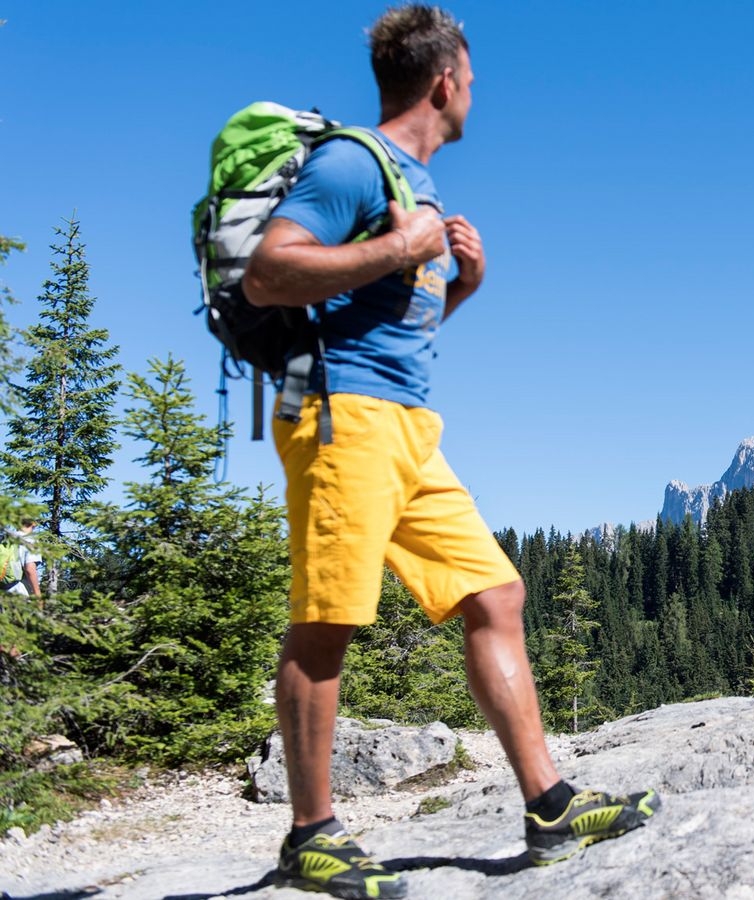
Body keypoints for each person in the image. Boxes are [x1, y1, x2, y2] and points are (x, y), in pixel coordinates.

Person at [242, 8, 656, 897]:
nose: (475, 91)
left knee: (495, 592)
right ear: (445, 82)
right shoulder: (353, 164)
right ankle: (310, 835)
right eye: (471, 75)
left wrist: (458, 284)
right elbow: (270, 271)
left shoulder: (418, 184)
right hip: (338, 416)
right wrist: (403, 244)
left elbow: (391, 326)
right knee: (330, 615)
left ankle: (548, 805)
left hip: (407, 426)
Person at [2, 519, 41, 599]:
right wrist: (38, 595)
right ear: (34, 523)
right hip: (20, 593)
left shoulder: (6, 539)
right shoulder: (30, 540)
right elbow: (30, 569)